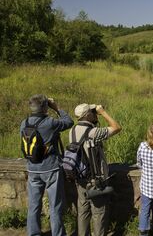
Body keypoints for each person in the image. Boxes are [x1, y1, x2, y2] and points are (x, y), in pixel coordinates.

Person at [20, 94, 74, 236]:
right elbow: (68, 122)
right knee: (55, 206)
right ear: (45, 107)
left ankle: (33, 233)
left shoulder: (24, 123)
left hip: (32, 168)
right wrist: (56, 107)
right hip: (51, 168)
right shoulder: (50, 122)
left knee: (33, 205)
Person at [71, 103, 122, 236]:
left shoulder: (73, 130)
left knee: (83, 212)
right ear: (88, 115)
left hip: (80, 178)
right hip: (95, 180)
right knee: (99, 212)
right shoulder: (93, 132)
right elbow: (117, 128)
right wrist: (103, 112)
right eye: (92, 112)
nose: (95, 114)